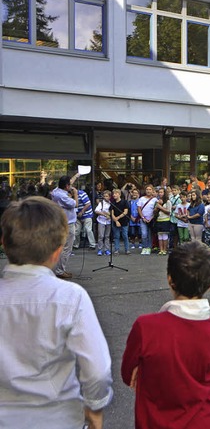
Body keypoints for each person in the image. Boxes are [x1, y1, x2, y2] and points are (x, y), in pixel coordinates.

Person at [0, 196, 113, 428]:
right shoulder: (70, 297)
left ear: (4, 242)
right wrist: (94, 406)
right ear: (57, 251)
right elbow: (97, 369)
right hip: (57, 416)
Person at [121, 241, 210, 429]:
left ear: (170, 279)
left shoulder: (146, 326)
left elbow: (127, 374)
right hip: (204, 421)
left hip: (155, 421)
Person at [51, 175, 78, 278]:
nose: (71, 186)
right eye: (69, 185)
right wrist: (75, 193)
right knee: (66, 248)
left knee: (62, 247)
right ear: (67, 186)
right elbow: (75, 204)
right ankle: (60, 270)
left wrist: (76, 176)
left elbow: (69, 182)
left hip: (60, 221)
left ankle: (60, 269)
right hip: (68, 223)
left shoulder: (55, 191)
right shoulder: (62, 196)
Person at [137, 184, 158, 255]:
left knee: (150, 234)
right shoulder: (141, 198)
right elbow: (139, 208)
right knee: (144, 234)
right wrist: (143, 217)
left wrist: (151, 218)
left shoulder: (155, 199)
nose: (148, 191)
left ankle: (149, 247)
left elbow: (156, 210)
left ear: (152, 191)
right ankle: (144, 247)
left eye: (150, 189)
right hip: (143, 219)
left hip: (151, 219)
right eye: (147, 189)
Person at [110, 188, 130, 255]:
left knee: (125, 235)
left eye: (115, 193)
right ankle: (116, 249)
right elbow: (112, 213)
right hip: (116, 221)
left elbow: (125, 212)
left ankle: (127, 249)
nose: (114, 195)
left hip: (124, 221)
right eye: (113, 194)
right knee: (116, 236)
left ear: (119, 194)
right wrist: (116, 221)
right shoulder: (112, 203)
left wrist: (118, 218)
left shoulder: (124, 202)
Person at [153, 188, 172, 256]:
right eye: (159, 192)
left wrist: (160, 207)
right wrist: (157, 207)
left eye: (162, 192)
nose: (160, 193)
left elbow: (168, 212)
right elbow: (154, 212)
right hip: (159, 219)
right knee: (159, 235)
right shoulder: (157, 201)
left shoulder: (168, 202)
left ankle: (165, 249)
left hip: (165, 220)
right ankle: (161, 249)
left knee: (164, 235)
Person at [95, 190, 112, 257]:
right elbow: (96, 210)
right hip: (101, 220)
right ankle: (100, 249)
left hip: (108, 221)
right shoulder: (101, 203)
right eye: (104, 196)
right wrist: (104, 214)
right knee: (101, 236)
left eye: (107, 196)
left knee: (107, 236)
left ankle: (107, 249)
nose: (105, 197)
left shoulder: (111, 203)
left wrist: (109, 215)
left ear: (109, 197)